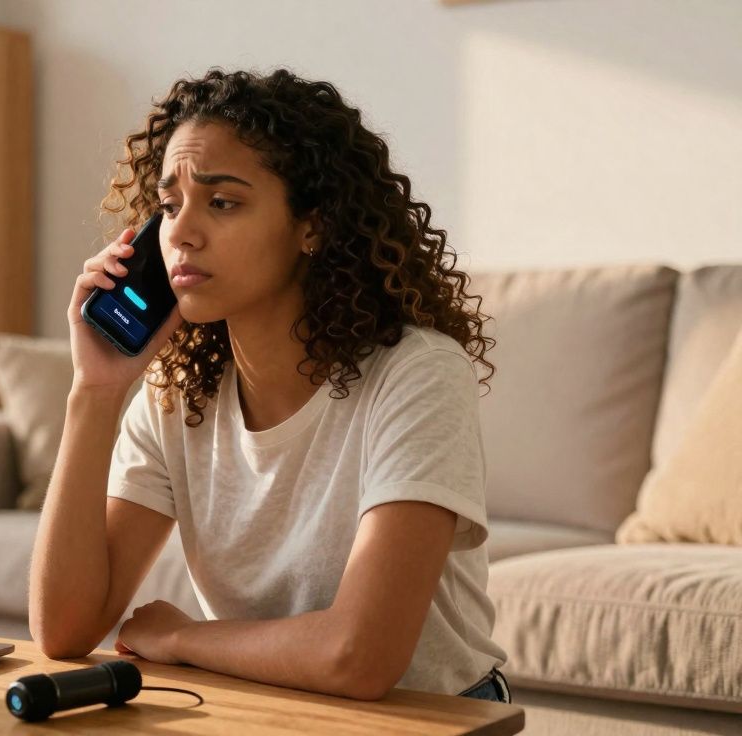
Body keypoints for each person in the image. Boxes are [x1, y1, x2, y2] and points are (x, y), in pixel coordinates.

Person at [29, 68, 512, 705]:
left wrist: (182, 641)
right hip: (265, 708)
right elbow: (64, 629)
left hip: (434, 717)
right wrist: (93, 392)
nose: (180, 231)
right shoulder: (178, 395)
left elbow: (358, 659)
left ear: (312, 226)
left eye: (222, 202)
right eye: (170, 205)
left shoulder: (418, 374)